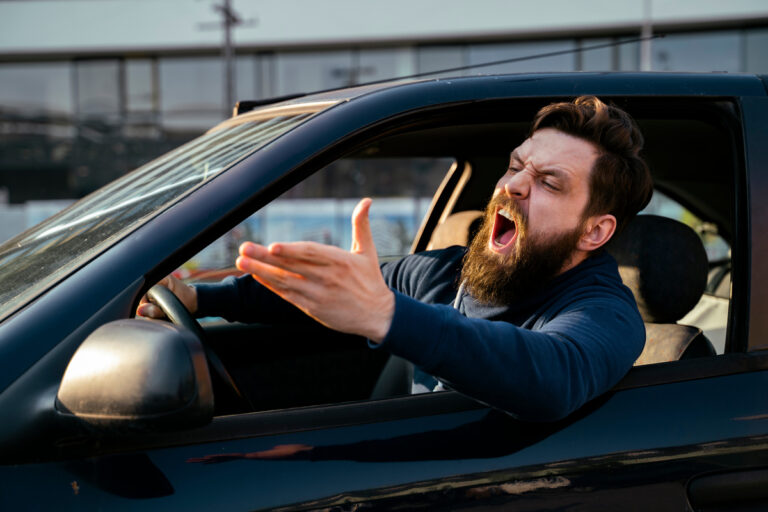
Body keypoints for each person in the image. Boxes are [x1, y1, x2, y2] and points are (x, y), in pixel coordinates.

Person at [139, 96, 653, 422]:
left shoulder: (605, 313)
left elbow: (552, 378)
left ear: (594, 230)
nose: (513, 185)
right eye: (517, 166)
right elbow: (325, 288)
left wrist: (386, 316)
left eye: (548, 183)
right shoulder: (443, 272)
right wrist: (203, 296)